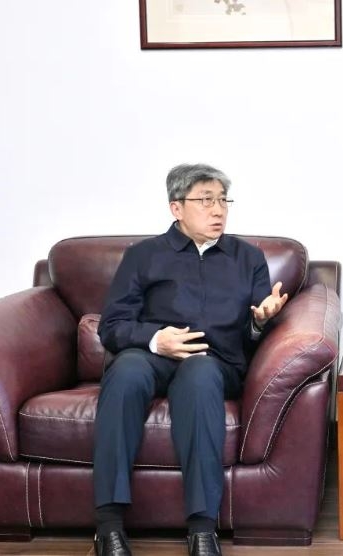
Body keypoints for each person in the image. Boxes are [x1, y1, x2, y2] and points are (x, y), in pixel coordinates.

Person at [92, 163, 288, 556]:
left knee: (199, 376)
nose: (218, 210)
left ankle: (202, 529)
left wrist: (261, 320)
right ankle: (108, 527)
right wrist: (155, 340)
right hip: (152, 354)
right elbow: (111, 325)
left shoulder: (248, 258)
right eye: (206, 200)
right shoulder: (143, 255)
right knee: (125, 372)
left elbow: (254, 327)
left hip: (214, 361)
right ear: (176, 208)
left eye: (223, 201)